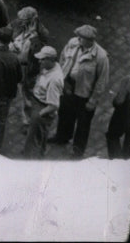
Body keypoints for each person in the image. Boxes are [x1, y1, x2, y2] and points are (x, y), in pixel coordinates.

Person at [52, 24, 110, 158]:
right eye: (78, 37)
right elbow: (62, 59)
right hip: (69, 87)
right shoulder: (73, 43)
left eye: (81, 38)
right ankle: (62, 137)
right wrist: (63, 80)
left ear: (90, 41)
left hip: (85, 94)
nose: (78, 40)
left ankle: (78, 151)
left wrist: (93, 101)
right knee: (65, 114)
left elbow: (102, 81)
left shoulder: (101, 57)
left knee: (83, 124)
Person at [22, 46, 63, 158]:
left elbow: (54, 105)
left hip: (43, 109)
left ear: (51, 60)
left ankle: (32, 160)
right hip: (38, 103)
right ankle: (30, 153)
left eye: (43, 59)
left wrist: (38, 115)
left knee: (36, 139)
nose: (40, 61)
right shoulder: (50, 67)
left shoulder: (54, 80)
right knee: (35, 136)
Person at [105, 74, 130, 160]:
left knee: (112, 136)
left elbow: (119, 101)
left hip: (124, 114)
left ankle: (116, 162)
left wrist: (114, 100)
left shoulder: (128, 79)